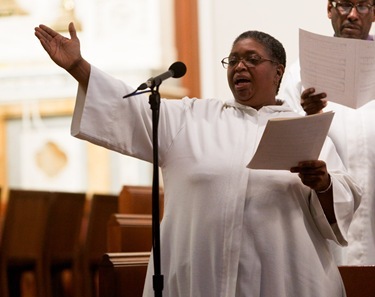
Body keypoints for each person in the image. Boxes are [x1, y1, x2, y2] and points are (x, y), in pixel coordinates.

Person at [35, 22, 361, 297]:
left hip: (283, 281)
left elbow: (343, 202)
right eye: (232, 60)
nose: (239, 66)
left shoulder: (303, 129)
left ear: (278, 71)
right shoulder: (191, 119)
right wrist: (78, 67)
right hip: (200, 279)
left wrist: (323, 183)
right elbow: (128, 107)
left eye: (251, 59)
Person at [279, 0, 375, 265]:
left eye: (363, 5)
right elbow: (285, 143)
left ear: (374, 12)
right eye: (345, 5)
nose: (353, 15)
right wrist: (308, 116)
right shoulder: (301, 73)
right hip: (324, 212)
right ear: (330, 9)